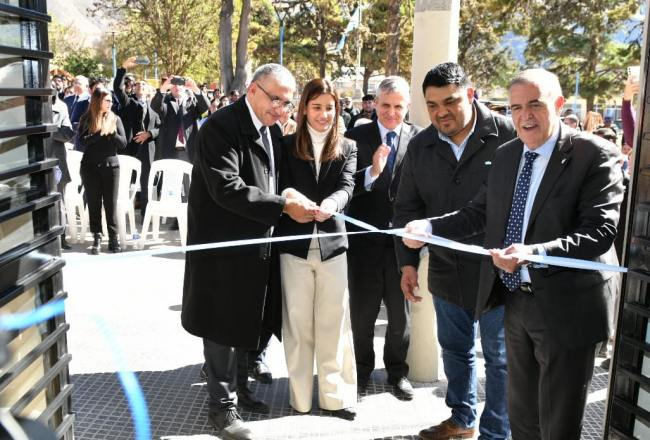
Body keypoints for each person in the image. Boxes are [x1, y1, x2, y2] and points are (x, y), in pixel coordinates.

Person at [402, 68, 624, 440]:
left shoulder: (593, 154)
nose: (525, 116)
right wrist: (429, 228)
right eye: (516, 107)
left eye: (535, 105)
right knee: (521, 421)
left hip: (567, 308)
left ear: (558, 103)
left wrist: (533, 253)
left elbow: (599, 232)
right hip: (516, 304)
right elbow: (478, 212)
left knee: (557, 425)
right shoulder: (507, 155)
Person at [181, 64, 314, 440]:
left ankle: (239, 390)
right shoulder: (220, 127)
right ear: (252, 90)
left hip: (254, 243)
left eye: (287, 103)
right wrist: (282, 206)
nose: (281, 109)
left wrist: (288, 195)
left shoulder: (270, 128)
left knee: (243, 320)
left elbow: (270, 179)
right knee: (220, 325)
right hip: (223, 246)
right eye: (276, 100)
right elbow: (226, 187)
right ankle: (221, 409)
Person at [393, 62, 516, 440]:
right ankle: (462, 420)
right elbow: (406, 208)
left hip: (501, 275)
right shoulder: (420, 146)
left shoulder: (508, 135)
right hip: (447, 270)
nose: (441, 112)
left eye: (450, 101)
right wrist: (407, 264)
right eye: (432, 105)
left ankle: (496, 433)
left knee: (499, 359)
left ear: (471, 94)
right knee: (455, 351)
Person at [276, 78, 358, 419]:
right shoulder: (285, 144)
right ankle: (300, 399)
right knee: (297, 325)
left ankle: (335, 397)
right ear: (304, 109)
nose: (324, 114)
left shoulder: (348, 146)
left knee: (333, 324)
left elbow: (348, 186)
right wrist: (292, 198)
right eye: (317, 107)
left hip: (333, 247)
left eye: (330, 108)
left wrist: (333, 204)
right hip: (294, 248)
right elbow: (279, 185)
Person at [345, 76, 422, 399]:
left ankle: (397, 372)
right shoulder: (354, 137)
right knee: (362, 315)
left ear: (408, 106)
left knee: (400, 317)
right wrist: (372, 172)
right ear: (375, 104)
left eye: (398, 106)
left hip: (402, 246)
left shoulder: (420, 139)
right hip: (363, 243)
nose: (391, 112)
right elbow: (345, 186)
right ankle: (361, 370)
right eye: (385, 105)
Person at [77, 88, 127, 255]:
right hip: (89, 167)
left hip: (111, 167)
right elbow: (82, 142)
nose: (110, 103)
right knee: (94, 203)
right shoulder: (86, 118)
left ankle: (113, 238)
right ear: (98, 101)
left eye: (111, 100)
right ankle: (97, 236)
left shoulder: (115, 118)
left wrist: (111, 133)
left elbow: (123, 143)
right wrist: (100, 132)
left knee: (110, 204)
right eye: (107, 100)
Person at [114, 57, 161, 217]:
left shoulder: (155, 107)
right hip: (130, 148)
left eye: (144, 84)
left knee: (146, 183)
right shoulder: (128, 103)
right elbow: (117, 88)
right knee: (126, 181)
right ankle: (122, 213)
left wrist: (150, 134)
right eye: (137, 84)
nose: (140, 85)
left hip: (147, 149)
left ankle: (146, 213)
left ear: (148, 90)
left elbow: (161, 128)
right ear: (133, 88)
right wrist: (123, 68)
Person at [151, 75, 210, 163]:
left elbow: (206, 106)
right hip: (168, 149)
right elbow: (154, 106)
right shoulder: (165, 101)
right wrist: (163, 88)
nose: (177, 87)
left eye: (180, 84)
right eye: (174, 84)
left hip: (189, 148)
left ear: (185, 86)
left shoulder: (192, 101)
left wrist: (195, 88)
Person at [46, 91, 75, 250]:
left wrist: (46, 130)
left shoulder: (61, 106)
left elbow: (67, 134)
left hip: (56, 161)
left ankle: (61, 236)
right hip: (34, 160)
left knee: (59, 202)